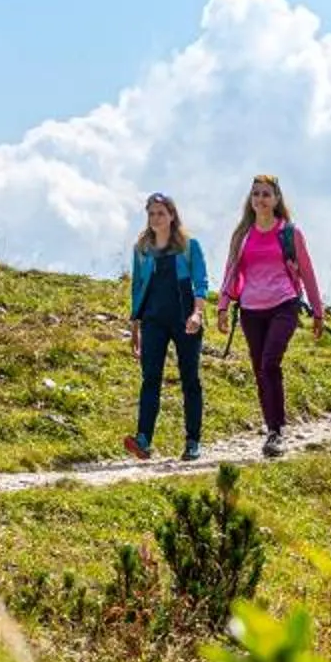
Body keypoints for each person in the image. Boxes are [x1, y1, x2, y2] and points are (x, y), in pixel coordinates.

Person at [217, 173, 327, 457]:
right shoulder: (242, 235)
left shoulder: (289, 233)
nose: (261, 199)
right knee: (259, 370)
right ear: (250, 200)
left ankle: (277, 431)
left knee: (269, 363)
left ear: (276, 199)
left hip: (284, 304)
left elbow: (307, 271)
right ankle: (271, 430)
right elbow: (231, 270)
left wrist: (318, 310)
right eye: (256, 194)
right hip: (251, 310)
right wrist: (223, 305)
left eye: (266, 194)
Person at [124, 192, 210, 461]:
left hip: (185, 320)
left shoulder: (188, 246)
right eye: (151, 214)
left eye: (161, 213)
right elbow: (137, 287)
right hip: (153, 321)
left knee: (190, 380)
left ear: (172, 215)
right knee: (150, 379)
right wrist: (135, 327)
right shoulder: (142, 251)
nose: (155, 218)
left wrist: (197, 314)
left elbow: (201, 283)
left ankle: (193, 441)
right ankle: (143, 440)